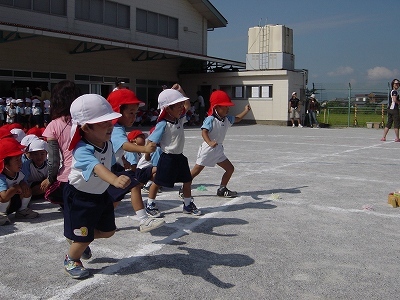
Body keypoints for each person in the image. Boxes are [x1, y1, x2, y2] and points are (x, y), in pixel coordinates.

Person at [63, 94, 131, 279]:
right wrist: (114, 180)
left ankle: (78, 237)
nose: (111, 125)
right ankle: (72, 258)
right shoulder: (82, 149)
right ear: (86, 127)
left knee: (109, 231)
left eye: (111, 121)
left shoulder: (106, 143)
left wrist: (127, 169)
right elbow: (98, 167)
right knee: (84, 236)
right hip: (81, 198)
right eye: (103, 122)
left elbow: (110, 163)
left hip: (100, 194)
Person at [106, 89, 165, 232]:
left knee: (115, 197)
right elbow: (124, 145)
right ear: (118, 111)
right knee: (134, 185)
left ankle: (103, 220)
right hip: (109, 169)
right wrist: (144, 149)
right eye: (130, 112)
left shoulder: (114, 127)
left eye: (136, 113)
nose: (134, 117)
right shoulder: (116, 128)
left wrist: (124, 160)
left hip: (112, 166)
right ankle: (144, 220)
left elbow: (115, 148)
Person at [180, 90, 251, 198]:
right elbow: (204, 132)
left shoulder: (226, 119)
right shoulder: (211, 119)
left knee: (230, 169)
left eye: (228, 106)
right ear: (216, 107)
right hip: (208, 150)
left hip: (218, 149)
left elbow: (238, 118)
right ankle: (183, 188)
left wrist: (245, 110)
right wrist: (209, 142)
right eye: (225, 106)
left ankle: (222, 189)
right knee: (196, 171)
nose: (228, 108)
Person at [147, 85, 202, 216]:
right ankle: (150, 204)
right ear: (168, 109)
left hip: (179, 157)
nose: (181, 108)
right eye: (177, 106)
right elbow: (151, 141)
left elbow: (187, 105)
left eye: (180, 105)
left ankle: (188, 204)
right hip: (167, 158)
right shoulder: (163, 124)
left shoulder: (179, 120)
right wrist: (147, 155)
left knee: (187, 180)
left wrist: (180, 91)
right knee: (158, 182)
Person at [42, 80, 82, 206]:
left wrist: (50, 178)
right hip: (90, 174)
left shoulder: (54, 125)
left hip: (69, 177)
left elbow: (54, 160)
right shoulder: (86, 121)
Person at [0, 137, 39, 226]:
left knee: (27, 189)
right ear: (5, 163)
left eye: (20, 159)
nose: (20, 163)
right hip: (3, 204)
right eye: (16, 160)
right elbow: (4, 197)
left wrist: (22, 184)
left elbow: (23, 182)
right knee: (3, 197)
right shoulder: (1, 177)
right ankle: (1, 215)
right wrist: (16, 187)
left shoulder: (19, 174)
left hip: (12, 203)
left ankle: (22, 210)